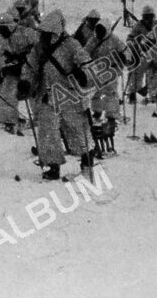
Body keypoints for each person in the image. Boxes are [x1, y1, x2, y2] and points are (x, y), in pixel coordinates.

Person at [17, 10, 95, 180]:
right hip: (48, 94)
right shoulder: (38, 48)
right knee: (47, 131)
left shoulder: (71, 45)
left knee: (76, 129)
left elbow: (87, 64)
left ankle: (86, 159)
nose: (42, 36)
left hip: (69, 93)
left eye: (46, 33)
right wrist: (25, 82)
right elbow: (30, 68)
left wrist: (83, 75)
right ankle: (53, 166)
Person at [85, 19, 125, 152]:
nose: (99, 34)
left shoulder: (114, 39)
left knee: (110, 93)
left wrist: (124, 57)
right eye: (98, 31)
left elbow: (125, 50)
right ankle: (97, 112)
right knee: (96, 93)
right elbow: (85, 52)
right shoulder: (93, 40)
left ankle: (111, 115)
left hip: (112, 70)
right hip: (97, 70)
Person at [127, 6, 157, 102]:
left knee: (153, 74)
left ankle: (153, 95)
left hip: (155, 53)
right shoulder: (138, 25)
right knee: (137, 73)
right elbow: (130, 39)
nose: (148, 19)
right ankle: (132, 93)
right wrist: (137, 44)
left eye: (150, 16)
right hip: (143, 53)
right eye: (146, 17)